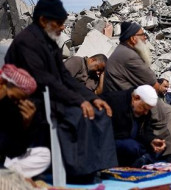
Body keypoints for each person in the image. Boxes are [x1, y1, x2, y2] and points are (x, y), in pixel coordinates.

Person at [4, 0, 117, 183]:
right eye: (59, 22)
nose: (63, 27)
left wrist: (91, 98)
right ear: (43, 20)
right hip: (32, 100)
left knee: (100, 112)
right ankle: (78, 171)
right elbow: (44, 80)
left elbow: (63, 76)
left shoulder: (49, 42)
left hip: (51, 95)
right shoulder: (26, 42)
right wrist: (79, 101)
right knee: (78, 114)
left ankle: (96, 167)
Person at [103, 21, 171, 162]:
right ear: (132, 38)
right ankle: (170, 152)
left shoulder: (123, 51)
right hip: (127, 99)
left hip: (126, 95)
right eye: (142, 35)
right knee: (169, 112)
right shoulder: (129, 55)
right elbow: (153, 83)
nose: (145, 38)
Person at [0, 64, 50, 178]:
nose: (15, 103)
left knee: (44, 155)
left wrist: (26, 125)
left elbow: (14, 151)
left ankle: (7, 175)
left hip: (4, 161)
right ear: (2, 83)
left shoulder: (11, 107)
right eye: (14, 98)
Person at [100, 85, 168, 167]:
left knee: (159, 146)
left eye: (148, 110)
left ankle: (143, 159)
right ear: (136, 98)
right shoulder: (114, 101)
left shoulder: (144, 111)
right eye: (144, 108)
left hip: (136, 142)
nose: (146, 113)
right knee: (132, 147)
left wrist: (152, 140)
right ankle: (143, 160)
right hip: (114, 141)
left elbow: (146, 131)